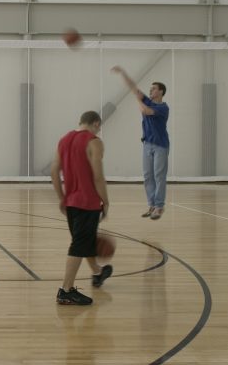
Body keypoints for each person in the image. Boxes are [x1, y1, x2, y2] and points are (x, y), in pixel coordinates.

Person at [50, 110, 112, 306]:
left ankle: (97, 272)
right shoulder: (94, 142)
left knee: (83, 240)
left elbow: (54, 171)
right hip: (88, 202)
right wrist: (105, 201)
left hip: (71, 202)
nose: (98, 130)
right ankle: (66, 291)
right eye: (99, 127)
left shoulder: (64, 140)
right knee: (79, 245)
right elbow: (98, 177)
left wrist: (62, 198)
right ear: (96, 123)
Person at [111, 66, 169, 220]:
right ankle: (152, 205)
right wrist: (123, 73)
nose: (151, 90)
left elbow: (145, 111)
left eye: (154, 88)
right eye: (150, 88)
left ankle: (159, 206)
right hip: (147, 144)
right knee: (148, 176)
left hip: (160, 145)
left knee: (159, 176)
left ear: (161, 92)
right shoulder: (148, 101)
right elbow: (133, 87)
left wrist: (137, 99)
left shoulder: (163, 108)